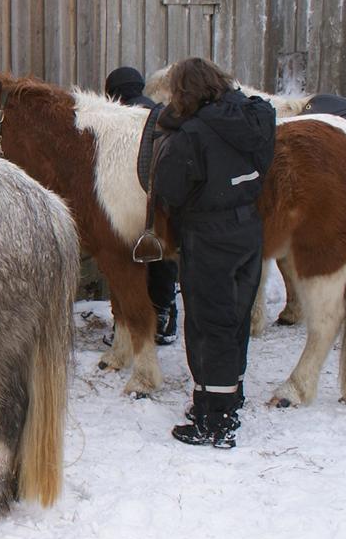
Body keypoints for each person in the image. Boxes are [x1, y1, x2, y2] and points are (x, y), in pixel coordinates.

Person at [151, 58, 275, 449]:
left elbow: (169, 190)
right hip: (248, 229)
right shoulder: (254, 119)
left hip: (209, 234)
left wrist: (173, 127)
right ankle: (226, 397)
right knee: (235, 318)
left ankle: (215, 423)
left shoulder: (191, 135)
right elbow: (260, 110)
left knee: (209, 325)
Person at [104, 67, 180, 345]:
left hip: (126, 198)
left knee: (127, 260)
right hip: (163, 198)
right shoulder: (161, 114)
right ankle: (164, 313)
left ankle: (128, 323)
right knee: (162, 257)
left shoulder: (115, 119)